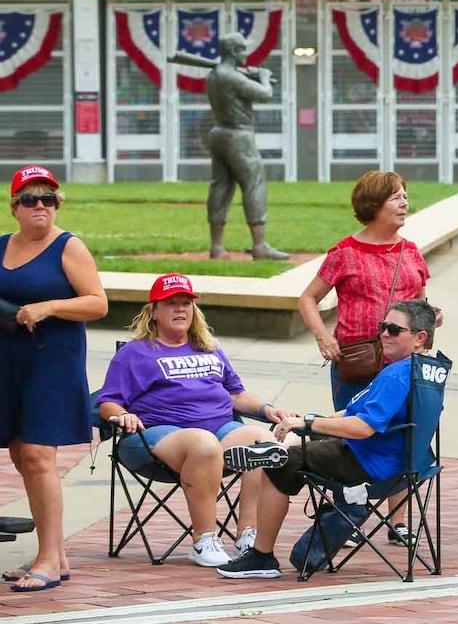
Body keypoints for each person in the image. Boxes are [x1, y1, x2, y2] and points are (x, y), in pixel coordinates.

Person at [216, 300, 439, 579]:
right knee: (301, 440)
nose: (383, 334)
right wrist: (312, 422)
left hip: (370, 464)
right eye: (383, 326)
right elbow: (358, 411)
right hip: (408, 463)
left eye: (394, 330)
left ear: (420, 337)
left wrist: (309, 423)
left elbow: (363, 427)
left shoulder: (397, 373)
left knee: (280, 465)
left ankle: (261, 556)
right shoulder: (430, 369)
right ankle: (284, 445)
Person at [96, 273, 293, 568]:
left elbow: (236, 395)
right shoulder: (135, 353)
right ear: (154, 311)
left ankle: (248, 535)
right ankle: (204, 540)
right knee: (204, 444)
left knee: (263, 444)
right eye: (171, 303)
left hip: (220, 426)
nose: (180, 309)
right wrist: (122, 415)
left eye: (186, 303)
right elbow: (108, 401)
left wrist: (267, 409)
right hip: (158, 434)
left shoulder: (209, 347)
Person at [0, 166, 107, 594]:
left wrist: (50, 307)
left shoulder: (68, 246)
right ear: (15, 208)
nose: (41, 206)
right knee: (21, 453)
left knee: (41, 455)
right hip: (9, 364)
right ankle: (55, 553)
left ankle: (47, 558)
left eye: (49, 198)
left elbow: (97, 303)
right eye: (30, 199)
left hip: (53, 364)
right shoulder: (3, 247)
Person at [298, 171, 431, 409]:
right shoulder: (344, 252)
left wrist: (429, 324)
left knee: (403, 436)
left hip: (404, 365)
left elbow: (421, 304)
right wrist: (324, 337)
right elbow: (308, 298)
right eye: (395, 198)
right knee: (351, 434)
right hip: (358, 363)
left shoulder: (411, 252)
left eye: (405, 197)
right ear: (374, 205)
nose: (404, 204)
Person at [205, 33, 289, 261]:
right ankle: (260, 245)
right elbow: (265, 94)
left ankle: (217, 247)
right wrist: (263, 76)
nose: (246, 54)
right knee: (254, 184)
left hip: (218, 133)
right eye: (242, 50)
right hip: (238, 135)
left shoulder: (214, 75)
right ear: (232, 51)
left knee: (220, 187)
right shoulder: (232, 77)